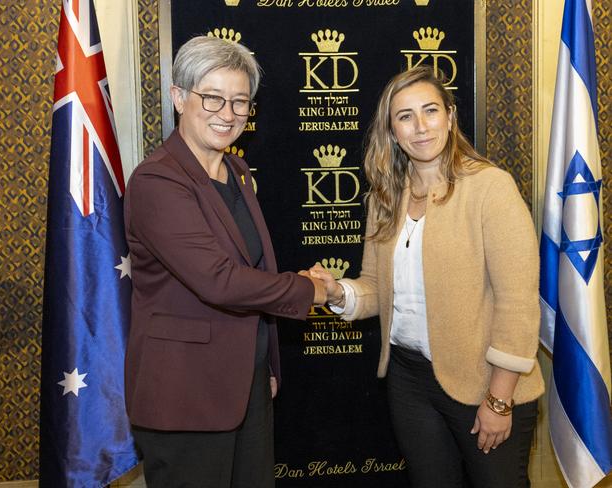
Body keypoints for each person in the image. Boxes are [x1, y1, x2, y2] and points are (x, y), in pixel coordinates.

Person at [309, 65, 544, 488]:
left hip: (484, 384)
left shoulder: (491, 188)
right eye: (405, 116)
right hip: (409, 381)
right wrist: (335, 291)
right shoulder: (385, 197)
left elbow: (518, 303)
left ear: (450, 118)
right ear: (392, 131)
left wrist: (499, 399)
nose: (420, 127)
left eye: (430, 111)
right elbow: (377, 290)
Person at [124, 35, 326, 488]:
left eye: (240, 102)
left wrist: (266, 364)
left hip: (246, 384)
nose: (228, 113)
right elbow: (220, 281)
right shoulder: (157, 181)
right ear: (178, 98)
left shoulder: (236, 170)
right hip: (185, 394)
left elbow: (256, 267)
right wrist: (313, 288)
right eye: (212, 97)